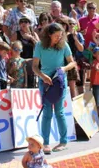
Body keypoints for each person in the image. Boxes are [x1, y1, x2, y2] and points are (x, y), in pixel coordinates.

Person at [32, 23, 76, 154]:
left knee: (59, 111)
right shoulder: (39, 46)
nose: (58, 38)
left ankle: (63, 141)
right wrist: (42, 76)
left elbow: (72, 62)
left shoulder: (64, 45)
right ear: (49, 35)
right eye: (56, 36)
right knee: (47, 113)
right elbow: (34, 66)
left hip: (59, 82)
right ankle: (45, 143)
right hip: (45, 83)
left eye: (60, 35)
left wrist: (63, 68)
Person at [57, 17, 84, 98]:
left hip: (71, 62)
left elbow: (81, 49)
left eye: (73, 24)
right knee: (62, 86)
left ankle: (73, 104)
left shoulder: (75, 35)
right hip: (61, 62)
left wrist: (75, 38)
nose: (72, 25)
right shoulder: (59, 36)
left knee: (72, 86)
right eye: (70, 24)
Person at [11, 16, 39, 88]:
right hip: (20, 62)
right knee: (20, 83)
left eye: (25, 21)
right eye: (21, 22)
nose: (23, 23)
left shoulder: (34, 34)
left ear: (29, 24)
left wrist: (31, 38)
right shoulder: (16, 34)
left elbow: (39, 47)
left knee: (30, 83)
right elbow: (11, 47)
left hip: (31, 61)